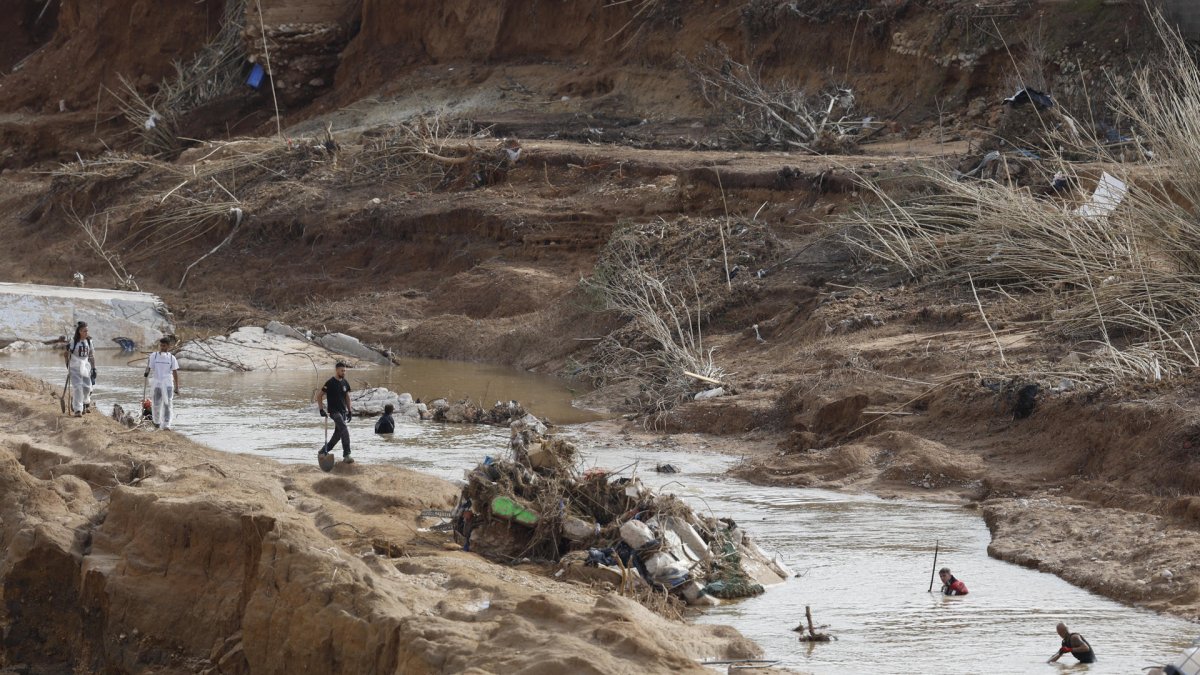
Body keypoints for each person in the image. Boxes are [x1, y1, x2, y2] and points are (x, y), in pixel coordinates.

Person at [316, 362, 354, 464]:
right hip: (333, 412)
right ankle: (347, 454)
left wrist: (350, 411)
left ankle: (323, 451)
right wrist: (321, 410)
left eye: (345, 370)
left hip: (343, 412)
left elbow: (347, 397)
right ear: (337, 370)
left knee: (337, 435)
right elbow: (319, 396)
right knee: (344, 428)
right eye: (342, 370)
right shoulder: (330, 383)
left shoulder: (345, 382)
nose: (344, 372)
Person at [144, 337, 180, 430]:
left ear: (168, 346)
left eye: (164, 346)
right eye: (161, 345)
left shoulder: (172, 358)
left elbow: (175, 372)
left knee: (167, 404)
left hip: (168, 384)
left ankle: (167, 424)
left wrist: (177, 387)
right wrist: (146, 372)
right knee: (156, 404)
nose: (162, 347)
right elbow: (149, 366)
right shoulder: (154, 356)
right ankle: (156, 422)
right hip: (156, 383)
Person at [64, 321, 96, 417]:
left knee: (87, 388)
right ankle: (78, 410)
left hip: (85, 367)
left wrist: (94, 369)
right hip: (74, 367)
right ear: (79, 332)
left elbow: (91, 356)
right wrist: (67, 362)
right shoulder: (73, 342)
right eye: (84, 331)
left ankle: (84, 403)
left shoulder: (89, 342)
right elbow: (66, 356)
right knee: (78, 387)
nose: (86, 333)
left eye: (87, 331)